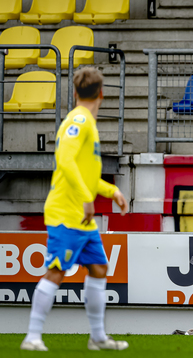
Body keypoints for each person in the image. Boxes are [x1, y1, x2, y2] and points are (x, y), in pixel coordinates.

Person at [21, 68, 129, 351]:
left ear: (75, 93)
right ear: (102, 95)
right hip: (66, 214)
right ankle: (32, 337)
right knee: (57, 271)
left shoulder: (87, 123)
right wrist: (86, 197)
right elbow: (65, 159)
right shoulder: (79, 120)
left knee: (99, 267)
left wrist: (111, 191)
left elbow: (86, 174)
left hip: (82, 218)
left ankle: (97, 337)